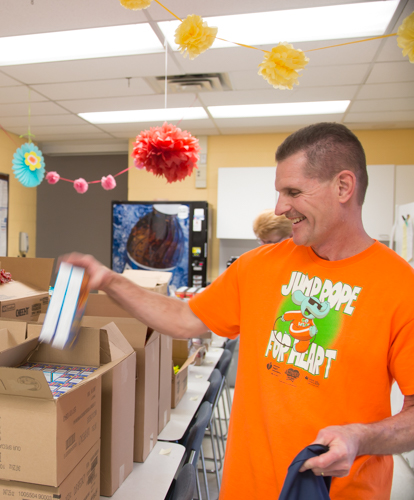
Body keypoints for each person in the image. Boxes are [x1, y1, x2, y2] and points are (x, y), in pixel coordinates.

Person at [64, 123, 414, 499]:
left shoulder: (400, 287)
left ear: (343, 187)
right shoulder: (257, 266)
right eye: (279, 192)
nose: (280, 207)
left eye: (293, 192)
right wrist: (110, 281)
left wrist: (361, 438)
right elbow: (184, 320)